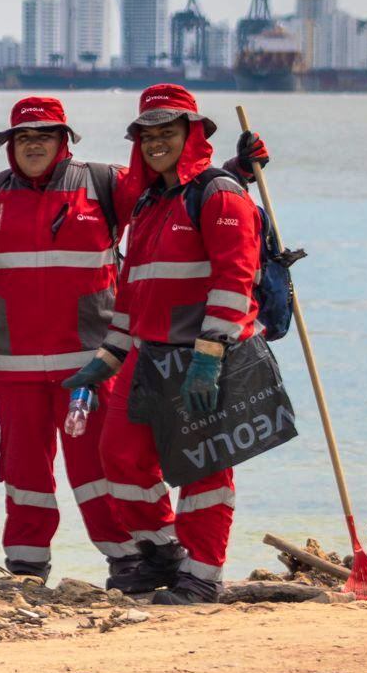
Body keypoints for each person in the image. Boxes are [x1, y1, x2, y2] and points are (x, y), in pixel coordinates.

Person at [61, 84, 268, 604]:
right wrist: (107, 357)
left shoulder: (220, 194)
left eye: (166, 132)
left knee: (204, 465)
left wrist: (211, 355)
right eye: (147, 135)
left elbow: (234, 279)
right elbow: (133, 293)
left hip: (203, 355)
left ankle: (203, 575)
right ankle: (162, 551)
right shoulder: (152, 202)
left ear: (190, 133)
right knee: (120, 454)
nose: (156, 143)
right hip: (148, 353)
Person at [0, 97, 141, 585]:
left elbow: (168, 190)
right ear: (10, 146)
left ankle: (128, 560)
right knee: (24, 472)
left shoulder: (105, 182)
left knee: (98, 467)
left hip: (90, 363)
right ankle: (26, 565)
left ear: (64, 140)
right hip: (15, 365)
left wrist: (233, 172)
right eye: (24, 137)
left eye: (44, 135)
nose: (34, 144)